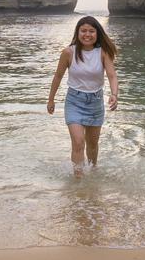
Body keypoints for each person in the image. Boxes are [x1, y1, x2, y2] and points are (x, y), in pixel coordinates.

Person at [46, 16, 119, 176]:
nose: (87, 34)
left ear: (97, 33)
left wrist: (114, 94)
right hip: (74, 102)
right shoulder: (68, 52)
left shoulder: (103, 53)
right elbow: (58, 76)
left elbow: (112, 75)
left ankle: (92, 173)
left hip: (95, 102)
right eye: (83, 31)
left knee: (92, 145)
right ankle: (78, 180)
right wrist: (51, 99)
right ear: (77, 32)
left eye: (91, 31)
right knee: (78, 142)